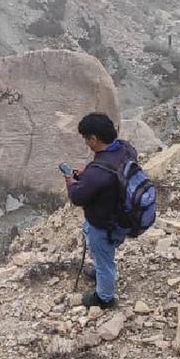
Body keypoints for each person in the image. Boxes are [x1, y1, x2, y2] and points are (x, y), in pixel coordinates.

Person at [65, 112, 138, 309]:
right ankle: (100, 271)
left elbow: (77, 197)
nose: (86, 143)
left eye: (86, 139)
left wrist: (71, 182)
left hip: (105, 224)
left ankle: (105, 297)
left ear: (94, 139)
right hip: (121, 216)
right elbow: (107, 177)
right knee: (104, 254)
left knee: (104, 256)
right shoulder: (125, 148)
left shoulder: (98, 174)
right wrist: (87, 175)